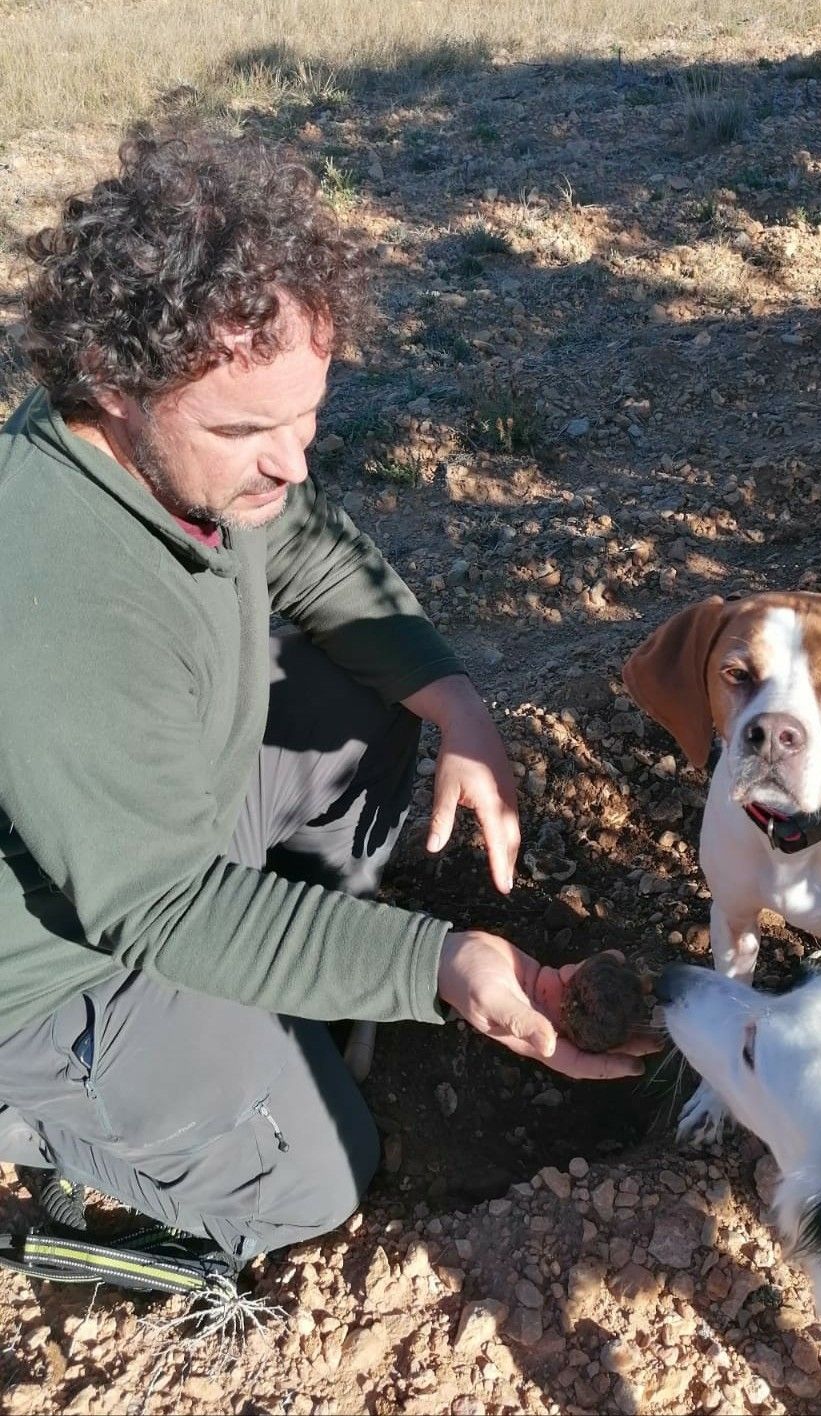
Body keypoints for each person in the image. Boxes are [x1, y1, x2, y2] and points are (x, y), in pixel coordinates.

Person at [0, 129, 653, 1268]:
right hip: (58, 968)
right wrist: (434, 966)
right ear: (110, 379)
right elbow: (157, 909)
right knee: (316, 1181)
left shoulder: (191, 465)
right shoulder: (53, 593)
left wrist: (452, 698)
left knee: (359, 702)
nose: (292, 461)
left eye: (307, 417)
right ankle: (55, 1123)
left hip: (166, 831)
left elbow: (303, 543)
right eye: (248, 431)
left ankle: (280, 1000)